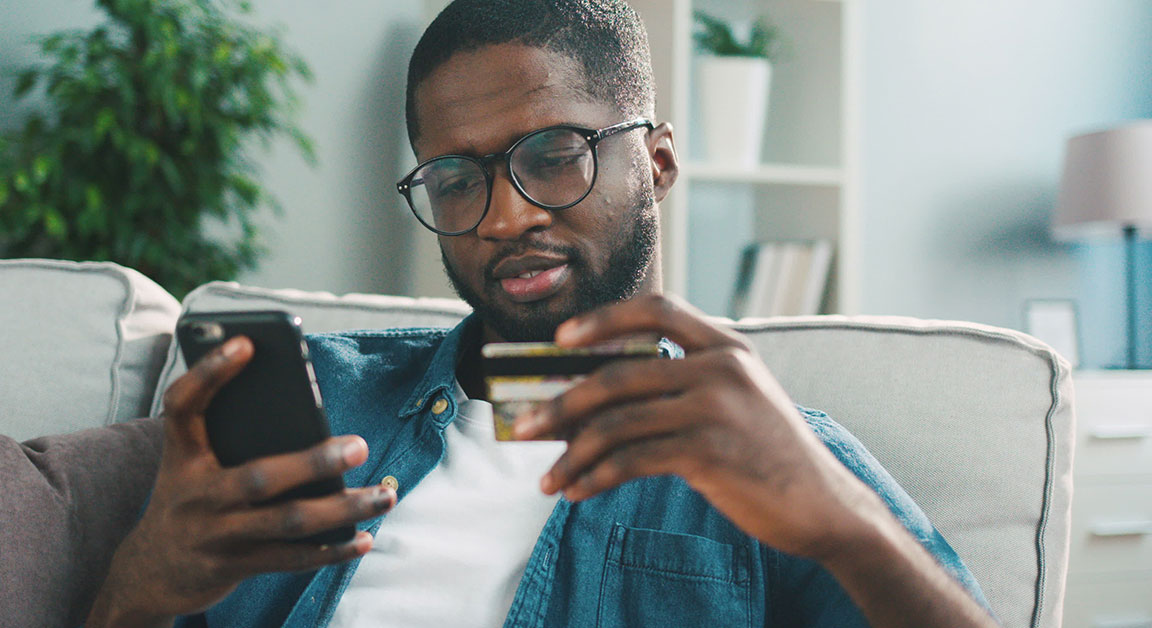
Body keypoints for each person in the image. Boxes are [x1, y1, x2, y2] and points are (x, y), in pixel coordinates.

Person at [86, 1, 998, 626]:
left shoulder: (776, 456)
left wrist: (842, 525)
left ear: (659, 163)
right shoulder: (323, 404)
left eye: (555, 153)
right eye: (456, 178)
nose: (509, 214)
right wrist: (140, 586)